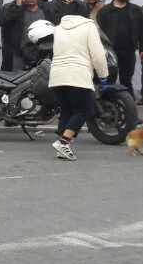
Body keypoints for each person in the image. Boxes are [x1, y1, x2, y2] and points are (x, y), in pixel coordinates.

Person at [46, 15, 110, 161]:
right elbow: (98, 54)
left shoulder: (59, 28)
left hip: (57, 75)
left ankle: (62, 148)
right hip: (78, 75)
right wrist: (103, 75)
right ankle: (63, 143)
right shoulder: (89, 26)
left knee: (67, 111)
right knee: (85, 110)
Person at [96, 0, 143, 97]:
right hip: (110, 52)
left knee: (126, 79)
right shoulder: (104, 11)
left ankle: (129, 102)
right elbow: (100, 33)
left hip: (129, 51)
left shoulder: (136, 10)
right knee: (109, 79)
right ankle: (109, 101)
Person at [0, 0, 28, 71]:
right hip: (11, 49)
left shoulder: (31, 7)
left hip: (28, 49)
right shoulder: (7, 7)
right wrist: (17, 7)